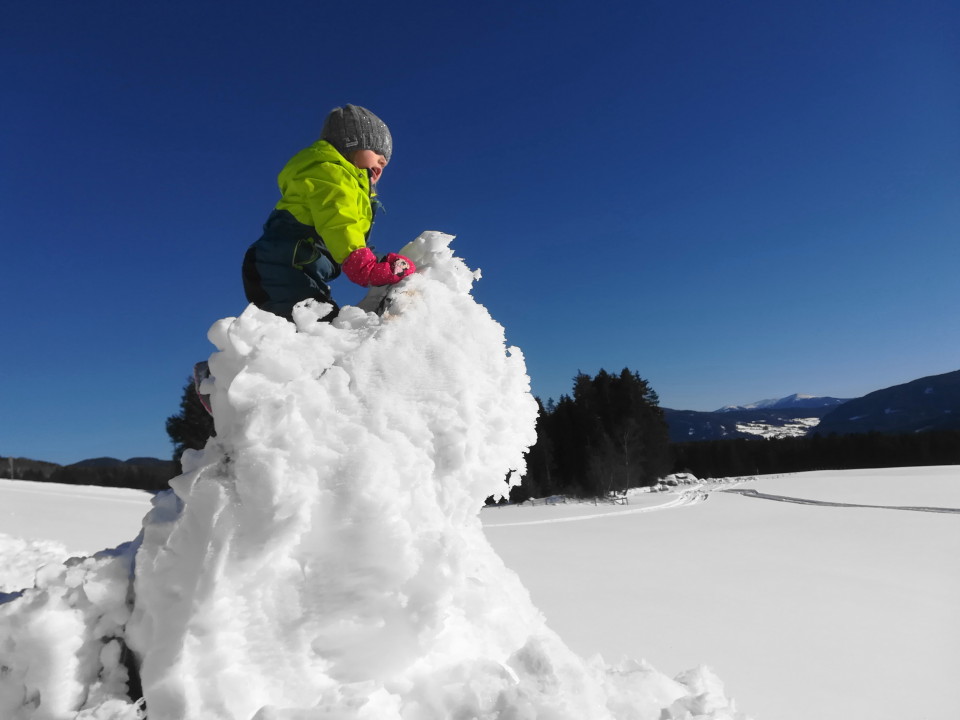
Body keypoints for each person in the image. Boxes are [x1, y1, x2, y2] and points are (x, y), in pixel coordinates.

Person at [242, 104, 416, 321]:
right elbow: (338, 220)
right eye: (377, 152)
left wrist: (382, 261)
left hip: (296, 271)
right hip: (279, 268)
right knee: (317, 327)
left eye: (386, 161)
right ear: (351, 143)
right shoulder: (329, 173)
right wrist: (363, 264)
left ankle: (246, 355)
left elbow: (351, 237)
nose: (383, 161)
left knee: (321, 326)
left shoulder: (354, 192)